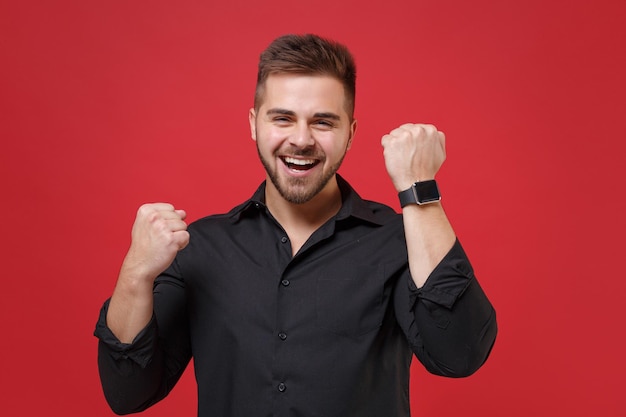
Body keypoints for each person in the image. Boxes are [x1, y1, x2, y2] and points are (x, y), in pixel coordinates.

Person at [94, 33, 497, 417]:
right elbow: (127, 391)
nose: (301, 139)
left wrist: (418, 189)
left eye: (323, 122)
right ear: (254, 123)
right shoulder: (198, 248)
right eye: (283, 118)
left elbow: (459, 354)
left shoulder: (400, 241)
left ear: (351, 133)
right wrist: (135, 273)